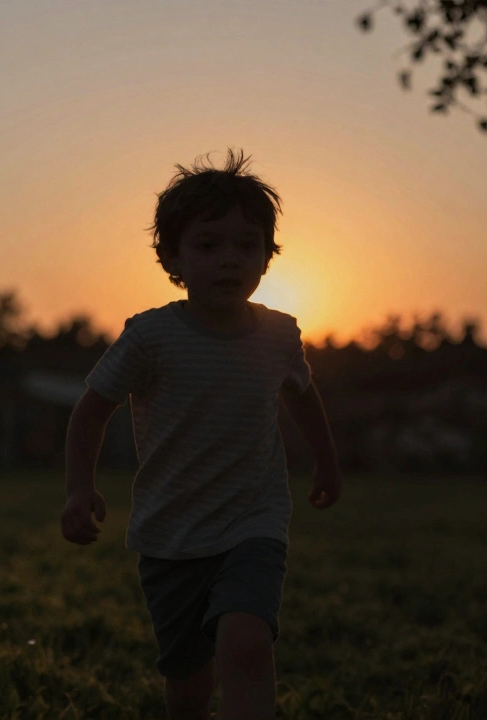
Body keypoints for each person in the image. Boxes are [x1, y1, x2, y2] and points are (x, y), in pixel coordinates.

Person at [60, 148, 341, 720]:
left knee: (245, 643)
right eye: (209, 245)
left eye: (246, 245)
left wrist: (327, 462)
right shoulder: (150, 337)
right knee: (188, 687)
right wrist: (78, 488)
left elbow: (303, 396)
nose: (230, 260)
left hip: (253, 523)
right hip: (171, 535)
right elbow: (91, 409)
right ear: (173, 257)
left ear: (268, 255)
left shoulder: (279, 334)